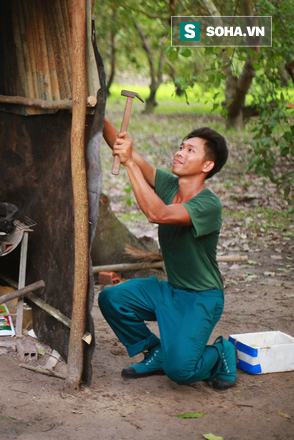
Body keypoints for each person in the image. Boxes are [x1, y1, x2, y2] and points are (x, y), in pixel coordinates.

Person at [98, 119, 236, 391]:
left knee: (182, 371)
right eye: (181, 147)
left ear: (207, 166)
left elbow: (157, 214)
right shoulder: (169, 185)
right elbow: (128, 150)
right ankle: (156, 352)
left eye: (190, 151)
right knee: (112, 298)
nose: (180, 153)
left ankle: (221, 352)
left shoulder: (208, 204)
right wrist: (98, 113)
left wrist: (128, 165)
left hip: (201, 299)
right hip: (172, 291)